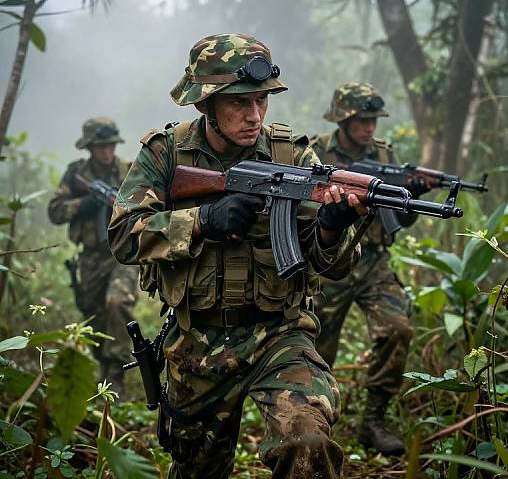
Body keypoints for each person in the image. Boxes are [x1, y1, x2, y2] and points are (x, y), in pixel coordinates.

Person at [108, 33, 368, 479]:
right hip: (198, 341)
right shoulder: (167, 154)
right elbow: (122, 236)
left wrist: (330, 228)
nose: (254, 116)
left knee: (307, 440)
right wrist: (202, 221)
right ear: (204, 104)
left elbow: (335, 266)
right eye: (239, 104)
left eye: (262, 102)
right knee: (196, 469)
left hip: (280, 334)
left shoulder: (294, 157)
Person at [311, 82, 426, 455]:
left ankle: (373, 421)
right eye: (362, 120)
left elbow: (399, 220)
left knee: (397, 328)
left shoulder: (385, 156)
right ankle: (314, 425)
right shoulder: (315, 153)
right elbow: (304, 210)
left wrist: (413, 198)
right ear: (343, 119)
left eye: (373, 120)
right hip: (331, 262)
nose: (369, 127)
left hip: (374, 259)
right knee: (316, 348)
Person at [47, 118, 139, 394]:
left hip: (121, 252)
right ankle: (103, 365)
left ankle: (117, 372)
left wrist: (123, 208)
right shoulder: (77, 174)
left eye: (110, 145)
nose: (107, 151)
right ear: (89, 147)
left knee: (117, 302)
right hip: (90, 258)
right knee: (93, 314)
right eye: (101, 146)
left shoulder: (128, 170)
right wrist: (84, 204)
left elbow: (147, 201)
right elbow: (55, 211)